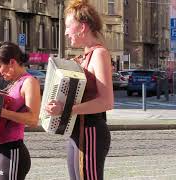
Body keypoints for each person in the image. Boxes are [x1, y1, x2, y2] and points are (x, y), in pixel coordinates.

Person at [45, 0, 114, 180]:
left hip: (90, 131)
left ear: (82, 27)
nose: (66, 32)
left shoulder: (99, 54)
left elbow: (106, 102)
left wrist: (65, 109)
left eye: (69, 26)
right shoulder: (85, 56)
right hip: (78, 131)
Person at [0, 41, 41, 180]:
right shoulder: (12, 83)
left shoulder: (29, 82)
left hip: (13, 152)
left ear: (12, 62)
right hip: (0, 152)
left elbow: (33, 119)